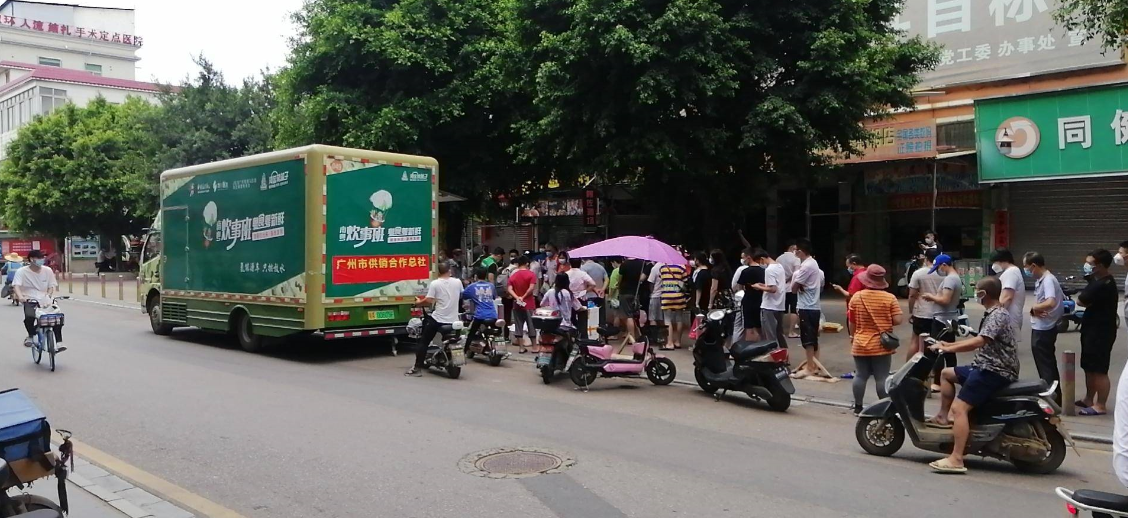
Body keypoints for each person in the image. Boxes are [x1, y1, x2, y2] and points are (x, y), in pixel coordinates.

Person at [927, 277, 1019, 474]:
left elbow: (980, 341)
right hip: (984, 365)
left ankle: (956, 458)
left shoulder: (997, 315)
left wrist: (950, 349)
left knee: (959, 408)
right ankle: (942, 417)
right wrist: (946, 346)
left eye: (977, 290)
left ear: (984, 294)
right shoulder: (993, 313)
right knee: (946, 373)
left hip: (994, 370)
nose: (975, 293)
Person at [847, 265, 901, 415]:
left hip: (860, 342)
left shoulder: (856, 297)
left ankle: (858, 407)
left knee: (860, 375)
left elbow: (852, 321)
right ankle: (884, 408)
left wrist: (852, 336)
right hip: (881, 344)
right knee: (881, 377)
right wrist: (883, 318)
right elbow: (898, 320)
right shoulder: (889, 298)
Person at [1077, 249, 1119, 415]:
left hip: (1101, 332)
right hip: (1091, 330)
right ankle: (1089, 398)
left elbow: (1081, 300)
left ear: (1100, 266)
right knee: (1088, 366)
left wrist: (1089, 286)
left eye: (1090, 263)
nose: (1086, 266)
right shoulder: (1097, 281)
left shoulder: (1104, 283)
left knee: (1100, 369)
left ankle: (1100, 404)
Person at [407, 262, 463, 377]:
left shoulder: (435, 284)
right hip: (454, 320)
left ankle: (417, 368)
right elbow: (461, 294)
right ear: (450, 271)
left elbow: (429, 300)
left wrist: (418, 303)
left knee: (424, 341)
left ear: (438, 272)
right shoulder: (458, 282)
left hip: (439, 319)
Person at [1024, 251, 1064, 403]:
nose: (1026, 270)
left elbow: (1051, 302)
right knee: (1045, 364)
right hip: (1042, 326)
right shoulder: (1043, 279)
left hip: (1045, 328)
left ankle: (1052, 396)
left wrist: (1035, 308)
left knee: (1046, 365)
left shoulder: (1048, 280)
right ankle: (1052, 394)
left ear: (1033, 266)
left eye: (1026, 267)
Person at [921, 254, 964, 392]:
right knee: (949, 350)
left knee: (938, 349)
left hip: (942, 319)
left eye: (938, 267)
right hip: (949, 318)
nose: (939, 270)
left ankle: (937, 382)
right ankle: (953, 377)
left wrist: (931, 297)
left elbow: (945, 300)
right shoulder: (955, 278)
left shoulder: (950, 280)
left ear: (944, 265)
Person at [12, 250, 62, 352]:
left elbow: (52, 285)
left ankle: (59, 342)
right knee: (29, 317)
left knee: (57, 317)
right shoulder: (21, 271)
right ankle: (31, 335)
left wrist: (48, 295)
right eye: (39, 258)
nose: (41, 261)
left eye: (42, 258)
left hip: (45, 298)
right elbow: (16, 286)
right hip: (29, 298)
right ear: (31, 259)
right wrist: (21, 297)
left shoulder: (47, 270)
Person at [791, 239, 824, 378]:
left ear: (801, 251)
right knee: (812, 338)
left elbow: (793, 288)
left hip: (807, 306)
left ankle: (810, 367)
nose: (794, 252)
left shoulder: (806, 266)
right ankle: (813, 364)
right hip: (813, 305)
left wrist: (796, 284)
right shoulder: (812, 263)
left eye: (796, 249)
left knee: (808, 339)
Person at [907, 249, 942, 360]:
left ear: (926, 259)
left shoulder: (919, 273)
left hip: (922, 313)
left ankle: (908, 370)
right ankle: (932, 372)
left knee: (916, 341)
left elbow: (912, 295)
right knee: (936, 343)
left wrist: (911, 311)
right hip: (940, 314)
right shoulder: (945, 273)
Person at [753, 249, 787, 349]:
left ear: (762, 259)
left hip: (769, 306)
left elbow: (772, 289)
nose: (760, 264)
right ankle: (785, 357)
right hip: (779, 305)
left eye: (759, 262)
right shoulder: (779, 266)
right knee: (779, 334)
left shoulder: (769, 270)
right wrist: (764, 285)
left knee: (770, 336)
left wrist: (758, 287)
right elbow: (776, 285)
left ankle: (774, 359)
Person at [991, 248, 1026, 338]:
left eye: (995, 262)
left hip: (1009, 318)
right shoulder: (1012, 271)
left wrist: (995, 314)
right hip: (1010, 317)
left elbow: (1007, 297)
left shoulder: (1011, 272)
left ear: (1003, 260)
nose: (994, 265)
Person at [507, 255, 538, 353]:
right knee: (531, 324)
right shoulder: (531, 274)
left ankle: (521, 347)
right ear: (527, 263)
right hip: (529, 303)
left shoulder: (513, 275)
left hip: (517, 304)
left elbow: (509, 289)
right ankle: (534, 347)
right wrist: (523, 297)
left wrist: (517, 297)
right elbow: (531, 288)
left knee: (518, 325)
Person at [559, 252, 597, 329]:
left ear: (570, 264)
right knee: (582, 318)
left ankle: (573, 335)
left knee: (570, 318)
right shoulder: (583, 274)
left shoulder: (566, 274)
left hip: (569, 298)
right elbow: (593, 284)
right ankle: (583, 335)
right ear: (580, 264)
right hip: (581, 297)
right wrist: (585, 291)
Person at [735, 248, 765, 341]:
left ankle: (749, 347)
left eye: (743, 258)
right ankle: (764, 344)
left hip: (748, 300)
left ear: (749, 257)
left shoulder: (745, 271)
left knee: (748, 326)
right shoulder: (763, 270)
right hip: (761, 300)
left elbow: (740, 287)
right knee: (759, 325)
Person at [462, 267, 499, 342]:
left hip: (480, 315)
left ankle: (466, 351)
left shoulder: (472, 286)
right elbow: (494, 297)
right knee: (497, 333)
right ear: (486, 276)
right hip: (493, 315)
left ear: (476, 276)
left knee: (471, 334)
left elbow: (464, 296)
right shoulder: (491, 286)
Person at [659, 262, 690, 350]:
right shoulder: (681, 268)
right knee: (679, 319)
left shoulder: (663, 268)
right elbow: (685, 281)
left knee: (668, 320)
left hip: (666, 296)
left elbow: (661, 279)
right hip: (678, 296)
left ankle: (669, 343)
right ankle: (678, 342)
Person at [777, 242, 802, 338]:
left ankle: (781, 331)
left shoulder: (779, 258)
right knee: (793, 310)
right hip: (792, 287)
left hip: (781, 287)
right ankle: (791, 332)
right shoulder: (796, 259)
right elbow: (797, 274)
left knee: (782, 310)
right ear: (794, 249)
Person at [646, 261, 666, 328]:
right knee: (663, 319)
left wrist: (652, 292)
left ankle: (654, 336)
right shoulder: (668, 266)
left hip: (656, 295)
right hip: (665, 295)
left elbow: (651, 282)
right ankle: (664, 337)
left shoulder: (655, 268)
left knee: (653, 318)